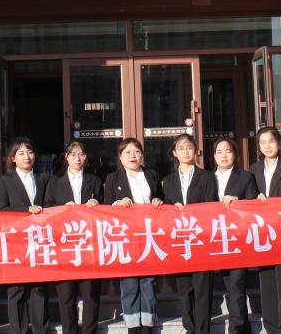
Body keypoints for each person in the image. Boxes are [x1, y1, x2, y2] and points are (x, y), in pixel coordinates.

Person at [103, 137, 163, 333]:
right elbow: (106, 207)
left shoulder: (152, 175)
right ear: (120, 157)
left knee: (148, 281)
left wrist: (158, 201)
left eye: (137, 152)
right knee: (129, 281)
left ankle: (147, 323)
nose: (133, 156)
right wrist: (117, 204)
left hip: (148, 234)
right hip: (126, 236)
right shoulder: (113, 179)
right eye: (127, 152)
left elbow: (161, 199)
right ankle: (132, 325)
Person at [43, 140, 103, 334]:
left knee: (90, 294)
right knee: (66, 295)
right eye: (73, 154)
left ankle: (89, 331)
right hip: (64, 245)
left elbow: (106, 209)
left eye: (81, 154)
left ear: (86, 158)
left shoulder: (95, 180)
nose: (78, 158)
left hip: (89, 244)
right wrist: (62, 209)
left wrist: (98, 203)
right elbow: (47, 210)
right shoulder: (55, 182)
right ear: (66, 157)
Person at [162, 134, 218, 334]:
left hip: (201, 240)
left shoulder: (207, 177)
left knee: (203, 290)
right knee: (184, 289)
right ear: (175, 153)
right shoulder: (167, 181)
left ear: (196, 151)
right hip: (179, 241)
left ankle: (203, 330)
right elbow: (163, 210)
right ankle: (190, 328)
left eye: (189, 147)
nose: (186, 152)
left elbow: (210, 205)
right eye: (181, 148)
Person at [0, 136, 49, 334]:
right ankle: (18, 330)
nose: (27, 156)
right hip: (15, 240)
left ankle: (40, 329)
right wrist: (26, 210)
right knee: (16, 289)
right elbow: (1, 209)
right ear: (13, 158)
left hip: (39, 239)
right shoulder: (5, 181)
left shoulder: (43, 179)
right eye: (21, 153)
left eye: (30, 152)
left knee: (38, 288)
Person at [249, 126, 281, 334]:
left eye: (271, 141)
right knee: (267, 283)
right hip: (263, 234)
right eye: (263, 142)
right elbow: (249, 196)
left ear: (278, 143)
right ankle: (271, 328)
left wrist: (271, 204)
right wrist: (255, 199)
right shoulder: (253, 169)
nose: (267, 146)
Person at [211, 137, 258, 334]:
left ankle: (236, 328)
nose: (224, 155)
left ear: (235, 154)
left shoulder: (246, 177)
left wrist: (238, 202)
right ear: (214, 156)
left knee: (236, 285)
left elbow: (254, 208)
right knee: (228, 287)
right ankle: (244, 327)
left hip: (238, 240)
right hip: (214, 240)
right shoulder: (206, 178)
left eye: (228, 151)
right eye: (219, 152)